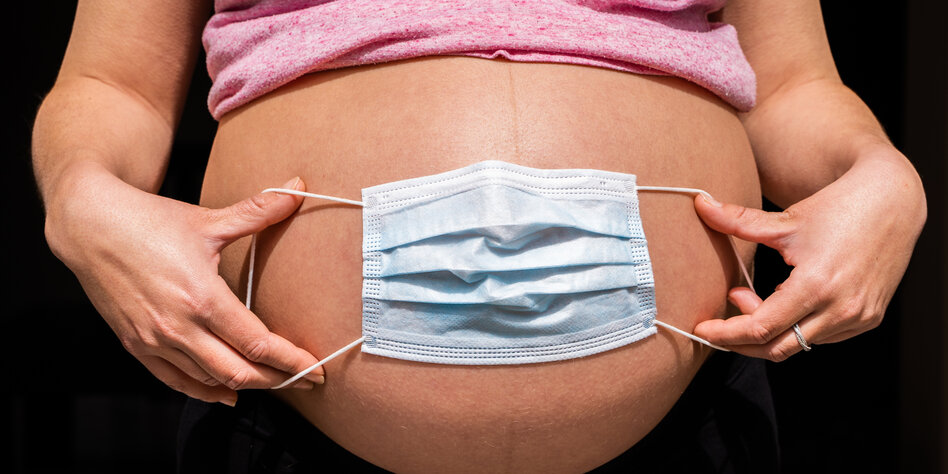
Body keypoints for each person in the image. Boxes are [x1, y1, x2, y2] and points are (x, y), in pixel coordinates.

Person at [32, 0, 925, 473]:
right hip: (285, 408)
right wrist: (79, 198)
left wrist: (881, 170)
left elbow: (794, 85)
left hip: (690, 412)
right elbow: (115, 85)